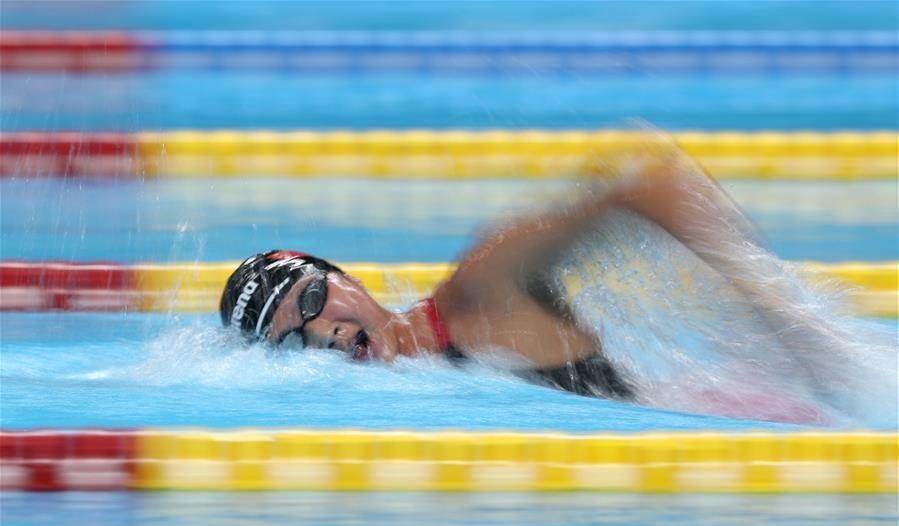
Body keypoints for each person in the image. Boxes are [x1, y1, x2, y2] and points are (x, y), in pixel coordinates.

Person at [219, 141, 849, 408]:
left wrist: (789, 325)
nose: (322, 331)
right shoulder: (396, 399)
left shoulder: (480, 289)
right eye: (292, 339)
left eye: (313, 298)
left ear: (346, 278)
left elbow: (650, 179)